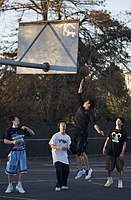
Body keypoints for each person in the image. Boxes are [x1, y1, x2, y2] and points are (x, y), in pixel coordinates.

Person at [72, 78, 104, 180]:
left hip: (83, 133)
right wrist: (81, 83)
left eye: (87, 102)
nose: (85, 101)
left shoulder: (90, 113)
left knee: (81, 151)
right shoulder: (81, 106)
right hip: (75, 130)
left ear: (89, 105)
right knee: (76, 152)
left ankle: (88, 169)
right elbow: (79, 93)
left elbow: (94, 123)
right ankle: (80, 169)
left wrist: (99, 131)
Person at [3, 115, 35, 194]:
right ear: (13, 121)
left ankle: (19, 185)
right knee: (10, 170)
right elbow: (5, 140)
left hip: (22, 152)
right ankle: (10, 185)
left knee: (23, 170)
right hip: (13, 152)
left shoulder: (22, 129)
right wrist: (12, 142)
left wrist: (27, 128)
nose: (18, 120)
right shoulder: (9, 130)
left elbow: (32, 133)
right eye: (17, 119)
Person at [102, 117, 127, 189]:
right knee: (109, 167)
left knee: (120, 168)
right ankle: (109, 179)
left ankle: (120, 181)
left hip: (118, 152)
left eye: (119, 121)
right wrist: (104, 148)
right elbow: (107, 140)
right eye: (117, 120)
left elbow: (124, 144)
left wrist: (122, 153)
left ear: (122, 123)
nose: (117, 122)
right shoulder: (111, 130)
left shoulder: (123, 132)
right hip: (110, 152)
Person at [49, 121, 71, 191]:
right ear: (59, 127)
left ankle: (64, 184)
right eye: (62, 126)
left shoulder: (67, 137)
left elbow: (69, 146)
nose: (63, 128)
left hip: (64, 156)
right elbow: (51, 145)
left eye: (64, 126)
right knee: (59, 170)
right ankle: (58, 185)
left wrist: (69, 147)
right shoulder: (56, 136)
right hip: (57, 156)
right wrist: (59, 148)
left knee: (66, 170)